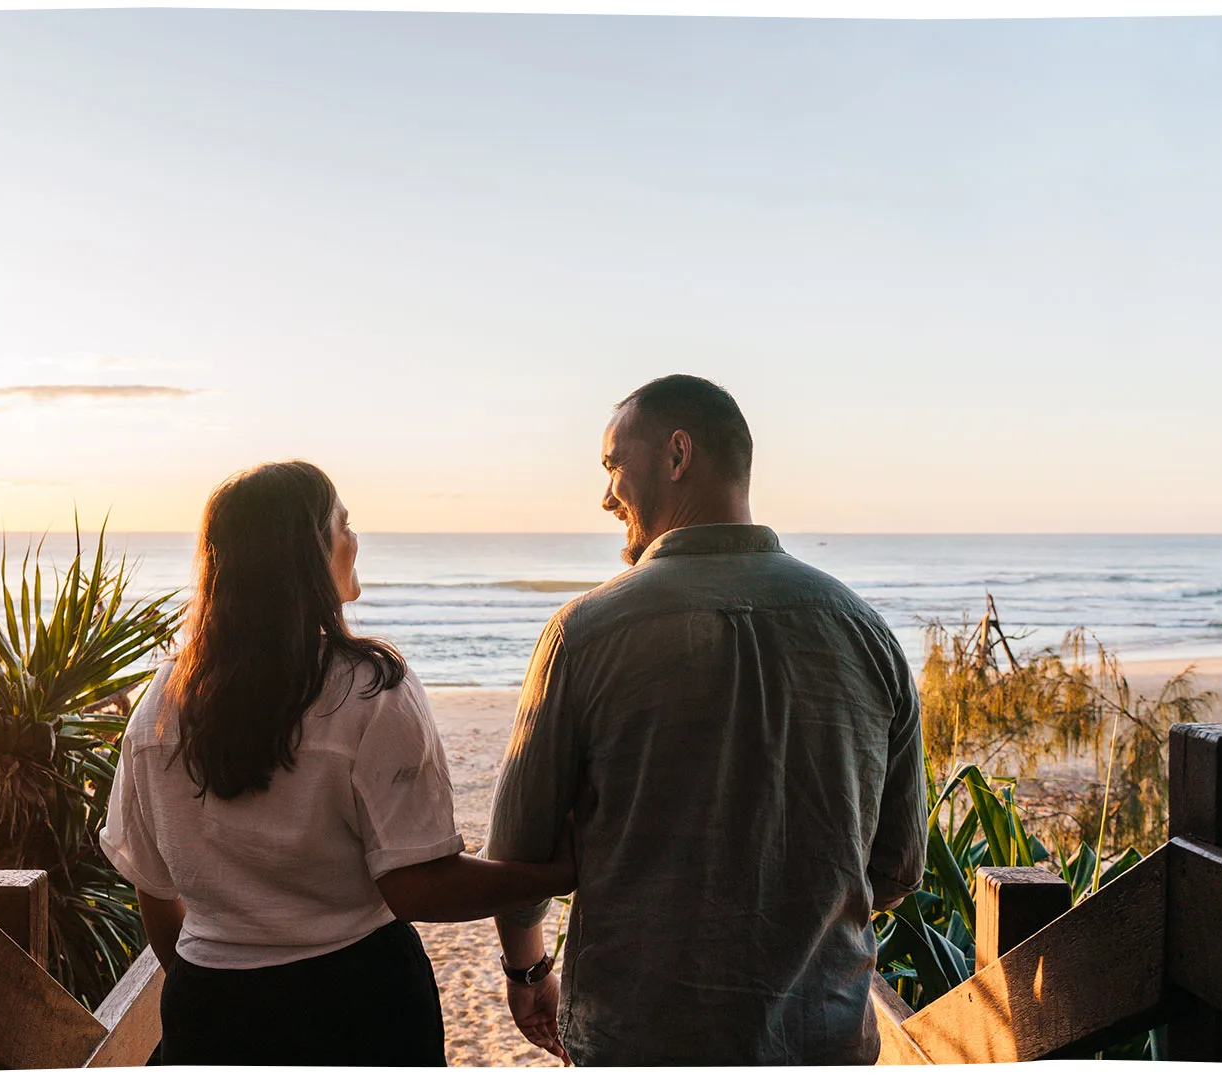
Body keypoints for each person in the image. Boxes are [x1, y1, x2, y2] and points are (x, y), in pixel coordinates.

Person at [484, 374, 928, 1066]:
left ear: (677, 454)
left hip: (639, 1043)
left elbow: (520, 858)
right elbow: (898, 866)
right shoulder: (864, 632)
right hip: (821, 1040)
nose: (605, 496)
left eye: (612, 466)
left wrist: (529, 970)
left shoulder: (585, 634)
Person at [99, 460, 574, 1066]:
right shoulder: (370, 690)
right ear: (307, 553)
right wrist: (555, 875)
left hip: (208, 1004)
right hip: (356, 1001)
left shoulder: (161, 700)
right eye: (342, 525)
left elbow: (153, 885)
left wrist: (226, 983)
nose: (354, 540)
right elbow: (417, 887)